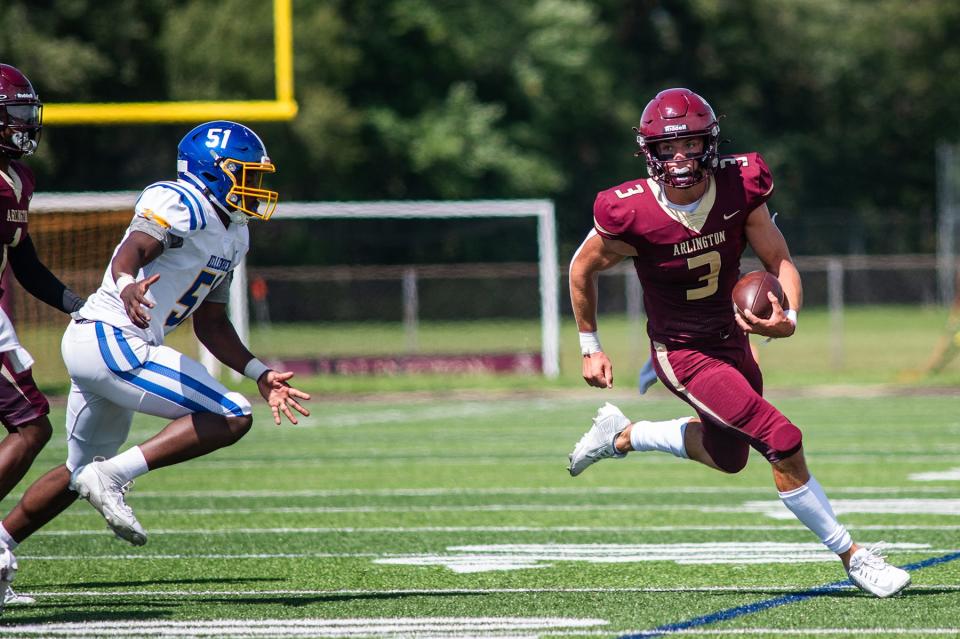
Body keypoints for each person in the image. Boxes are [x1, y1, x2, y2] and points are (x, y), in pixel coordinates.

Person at [567, 88, 910, 598]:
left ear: (711, 144)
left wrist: (788, 316)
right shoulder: (629, 211)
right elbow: (581, 268)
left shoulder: (740, 183)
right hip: (682, 351)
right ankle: (853, 556)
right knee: (782, 439)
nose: (679, 158)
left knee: (729, 456)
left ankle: (623, 435)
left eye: (691, 144)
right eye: (667, 148)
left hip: (733, 339)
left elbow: (780, 260)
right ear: (649, 152)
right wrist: (589, 345)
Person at [0, 120, 310, 613]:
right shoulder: (180, 200)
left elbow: (211, 321)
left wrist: (260, 373)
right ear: (215, 172)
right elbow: (133, 251)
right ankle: (116, 477)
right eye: (245, 174)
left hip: (106, 344)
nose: (255, 186)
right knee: (232, 415)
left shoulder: (234, 232)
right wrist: (125, 283)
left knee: (80, 472)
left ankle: (2, 544)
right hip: (114, 339)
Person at [0, 64, 87, 608]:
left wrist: (74, 303)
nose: (24, 125)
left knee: (31, 423)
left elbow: (23, 261)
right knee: (30, 424)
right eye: (13, 115)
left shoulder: (17, 179)